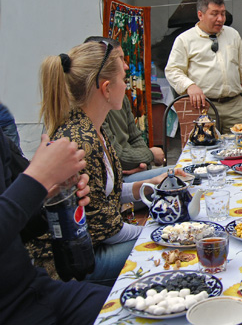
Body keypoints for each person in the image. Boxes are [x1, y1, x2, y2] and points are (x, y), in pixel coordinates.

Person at [29, 42, 173, 286]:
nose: (126, 84)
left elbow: (108, 193)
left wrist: (150, 184)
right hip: (71, 265)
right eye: (124, 78)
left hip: (90, 246)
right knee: (167, 248)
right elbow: (109, 230)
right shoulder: (81, 140)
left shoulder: (94, 128)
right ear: (106, 88)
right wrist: (158, 232)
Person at [1, 131, 110, 324]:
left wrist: (53, 198)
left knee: (142, 310)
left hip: (35, 291)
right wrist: (37, 180)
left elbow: (23, 227)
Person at [165, 0, 242, 133]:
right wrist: (190, 86)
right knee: (205, 150)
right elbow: (172, 70)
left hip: (234, 107)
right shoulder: (185, 39)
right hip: (204, 107)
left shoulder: (233, 35)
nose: (220, 19)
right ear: (200, 15)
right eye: (214, 14)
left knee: (241, 148)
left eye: (223, 14)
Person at [84, 37, 168, 182]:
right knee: (178, 175)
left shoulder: (120, 98)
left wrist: (143, 164)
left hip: (128, 173)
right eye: (120, 60)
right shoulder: (93, 111)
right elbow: (118, 157)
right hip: (118, 180)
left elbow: (135, 137)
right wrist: (150, 155)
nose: (126, 66)